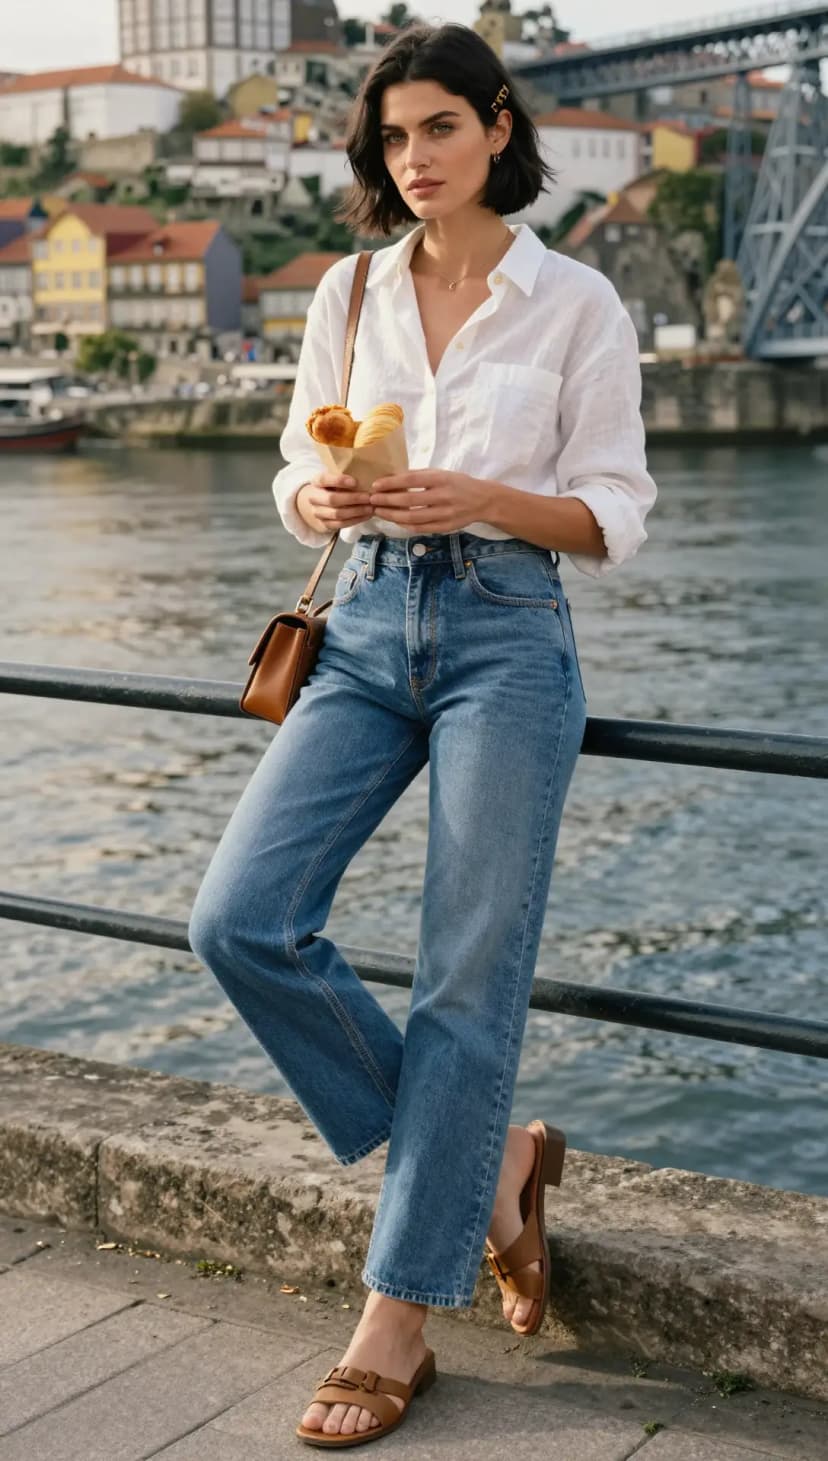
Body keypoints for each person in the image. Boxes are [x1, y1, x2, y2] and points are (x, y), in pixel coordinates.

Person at [188, 20, 657, 1449]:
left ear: (499, 128)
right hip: (368, 623)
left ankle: (397, 1314)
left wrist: (481, 498)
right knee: (240, 918)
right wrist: (317, 498)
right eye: (394, 137)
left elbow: (614, 515)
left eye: (440, 127)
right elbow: (298, 461)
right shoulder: (348, 289)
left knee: (466, 970)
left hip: (510, 632)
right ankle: (494, 1162)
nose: (415, 157)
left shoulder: (576, 301)